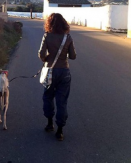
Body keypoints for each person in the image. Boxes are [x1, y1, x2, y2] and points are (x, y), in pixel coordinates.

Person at [38, 13, 77, 141]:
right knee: (62, 101)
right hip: (64, 72)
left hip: (50, 71)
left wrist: (46, 59)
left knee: (48, 97)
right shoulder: (68, 37)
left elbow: (41, 54)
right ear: (64, 23)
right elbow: (73, 56)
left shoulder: (47, 36)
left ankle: (50, 124)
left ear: (49, 24)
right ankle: (60, 131)